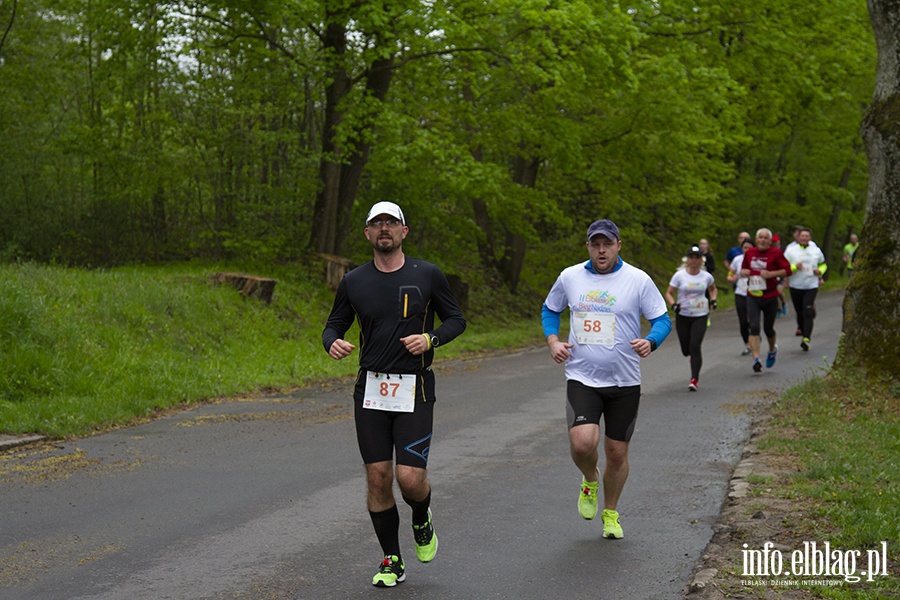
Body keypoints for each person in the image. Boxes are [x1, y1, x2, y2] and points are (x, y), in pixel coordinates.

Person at [322, 201, 466, 588]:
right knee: (377, 476)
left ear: (404, 231)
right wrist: (332, 342)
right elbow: (334, 324)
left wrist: (431, 338)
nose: (384, 228)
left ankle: (421, 515)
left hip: (414, 388)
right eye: (376, 223)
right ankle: (391, 559)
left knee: (410, 479)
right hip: (370, 389)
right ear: (368, 233)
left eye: (391, 222)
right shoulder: (354, 281)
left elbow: (456, 319)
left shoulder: (428, 275)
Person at [542, 219, 671, 540]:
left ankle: (610, 513)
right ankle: (589, 478)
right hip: (582, 377)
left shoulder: (638, 280)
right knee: (583, 443)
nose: (602, 250)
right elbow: (549, 309)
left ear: (618, 246)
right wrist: (553, 341)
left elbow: (662, 319)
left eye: (608, 244)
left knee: (616, 453)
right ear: (588, 246)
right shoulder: (570, 277)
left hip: (624, 381)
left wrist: (651, 340)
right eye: (596, 244)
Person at [741, 228, 792, 373]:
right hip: (753, 295)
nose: (763, 240)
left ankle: (771, 349)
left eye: (766, 238)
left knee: (768, 328)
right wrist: (743, 272)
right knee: (754, 327)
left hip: (770, 295)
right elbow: (744, 269)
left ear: (770, 241)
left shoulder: (776, 253)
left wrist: (771, 274)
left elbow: (788, 270)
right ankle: (756, 358)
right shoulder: (750, 253)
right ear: (756, 240)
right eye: (760, 237)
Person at [666, 245, 717, 391]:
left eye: (697, 258)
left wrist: (713, 300)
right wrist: (673, 304)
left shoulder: (706, 276)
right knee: (686, 349)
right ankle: (692, 356)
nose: (694, 261)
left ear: (701, 260)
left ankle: (694, 379)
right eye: (691, 258)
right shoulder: (679, 275)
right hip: (683, 315)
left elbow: (713, 289)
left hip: (700, 314)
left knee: (695, 346)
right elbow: (669, 292)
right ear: (687, 260)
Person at [784, 227, 827, 351]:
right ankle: (803, 330)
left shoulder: (816, 251)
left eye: (806, 236)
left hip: (811, 285)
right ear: (798, 237)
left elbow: (823, 264)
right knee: (799, 311)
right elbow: (784, 266)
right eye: (802, 236)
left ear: (810, 238)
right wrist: (794, 267)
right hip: (796, 285)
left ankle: (806, 338)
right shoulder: (791, 251)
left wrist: (821, 271)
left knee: (807, 310)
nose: (804, 238)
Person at [727, 237, 755, 356]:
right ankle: (747, 344)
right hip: (740, 292)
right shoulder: (737, 260)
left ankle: (755, 337)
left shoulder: (756, 259)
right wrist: (731, 277)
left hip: (754, 292)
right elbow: (730, 274)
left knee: (752, 320)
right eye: (745, 248)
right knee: (743, 321)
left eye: (749, 247)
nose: (747, 250)